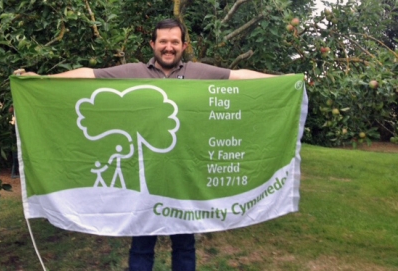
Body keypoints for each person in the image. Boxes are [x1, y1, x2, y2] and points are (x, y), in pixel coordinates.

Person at [17, 18, 278, 271]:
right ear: (152, 44)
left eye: (175, 42)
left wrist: (283, 80)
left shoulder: (199, 72)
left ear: (184, 46)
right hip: (144, 183)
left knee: (185, 248)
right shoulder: (133, 72)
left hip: (184, 180)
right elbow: (88, 74)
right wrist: (40, 80)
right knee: (142, 248)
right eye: (163, 41)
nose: (169, 47)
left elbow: (239, 76)